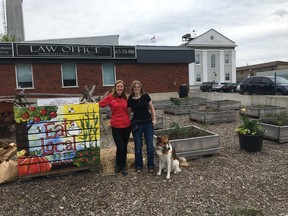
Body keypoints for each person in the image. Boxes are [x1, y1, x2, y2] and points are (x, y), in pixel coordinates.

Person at [99, 80, 131, 176]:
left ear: (124, 88)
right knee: (120, 146)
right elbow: (100, 104)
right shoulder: (110, 97)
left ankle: (123, 166)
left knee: (124, 147)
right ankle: (118, 164)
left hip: (126, 125)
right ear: (115, 88)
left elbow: (134, 106)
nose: (120, 88)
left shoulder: (127, 98)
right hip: (116, 126)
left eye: (121, 87)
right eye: (118, 87)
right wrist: (87, 106)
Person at [128, 80, 156, 173]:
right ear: (133, 88)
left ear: (140, 88)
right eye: (135, 87)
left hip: (148, 124)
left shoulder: (146, 96)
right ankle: (138, 165)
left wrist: (154, 119)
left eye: (138, 87)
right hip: (137, 124)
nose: (137, 88)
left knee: (150, 145)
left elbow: (151, 108)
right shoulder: (130, 99)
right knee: (138, 146)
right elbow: (128, 113)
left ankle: (151, 165)